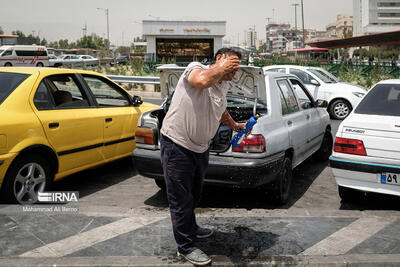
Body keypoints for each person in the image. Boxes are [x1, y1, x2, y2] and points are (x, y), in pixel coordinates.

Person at [160, 48, 247, 266]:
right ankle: (185, 247)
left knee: (194, 194)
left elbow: (221, 110)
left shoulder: (223, 84)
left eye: (237, 68)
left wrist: (235, 125)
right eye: (232, 66)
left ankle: (191, 228)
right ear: (220, 59)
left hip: (200, 148)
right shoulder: (196, 68)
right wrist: (220, 68)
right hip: (177, 145)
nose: (235, 72)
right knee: (180, 199)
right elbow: (201, 82)